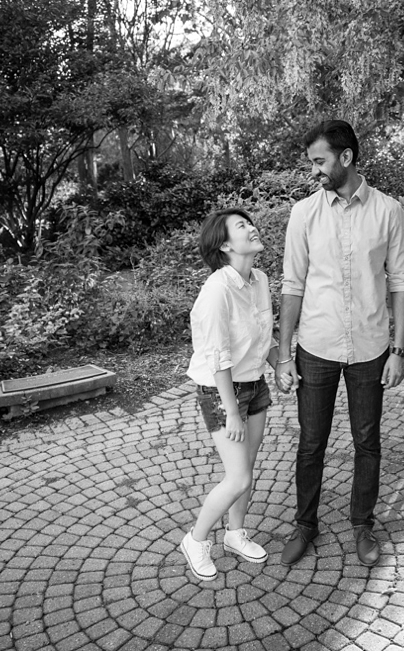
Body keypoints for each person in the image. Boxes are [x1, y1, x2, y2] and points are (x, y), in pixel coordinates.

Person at [275, 119, 404, 567]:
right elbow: (292, 285)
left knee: (367, 441)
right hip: (315, 346)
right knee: (311, 442)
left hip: (371, 349)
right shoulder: (304, 214)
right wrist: (283, 355)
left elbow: (401, 283)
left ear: (346, 158)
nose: (313, 170)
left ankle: (362, 524)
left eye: (320, 161)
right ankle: (305, 524)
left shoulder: (390, 212)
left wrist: (398, 349)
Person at [180, 208, 287, 581]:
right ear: (225, 244)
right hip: (220, 390)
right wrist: (230, 410)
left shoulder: (259, 279)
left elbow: (262, 338)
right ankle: (195, 540)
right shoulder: (216, 290)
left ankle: (236, 534)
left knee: (248, 468)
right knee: (238, 477)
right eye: (242, 226)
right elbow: (217, 356)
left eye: (249, 222)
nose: (252, 227)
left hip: (254, 383)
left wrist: (279, 364)